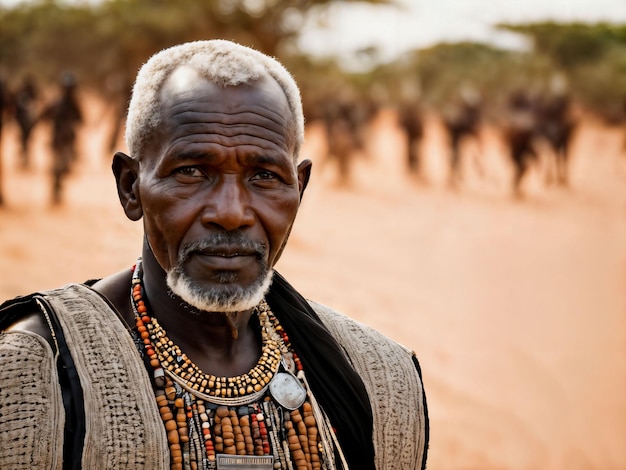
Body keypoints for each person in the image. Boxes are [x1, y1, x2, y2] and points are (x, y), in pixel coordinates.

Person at [0, 40, 428, 469]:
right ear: (131, 187)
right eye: (191, 172)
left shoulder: (382, 381)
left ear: (299, 187)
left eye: (264, 175)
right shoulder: (34, 372)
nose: (231, 213)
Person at [41, 71, 83, 204]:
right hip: (60, 140)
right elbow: (43, 116)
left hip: (66, 140)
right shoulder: (58, 103)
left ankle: (57, 190)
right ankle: (56, 191)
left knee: (62, 167)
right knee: (58, 168)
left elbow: (80, 119)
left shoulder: (68, 104)